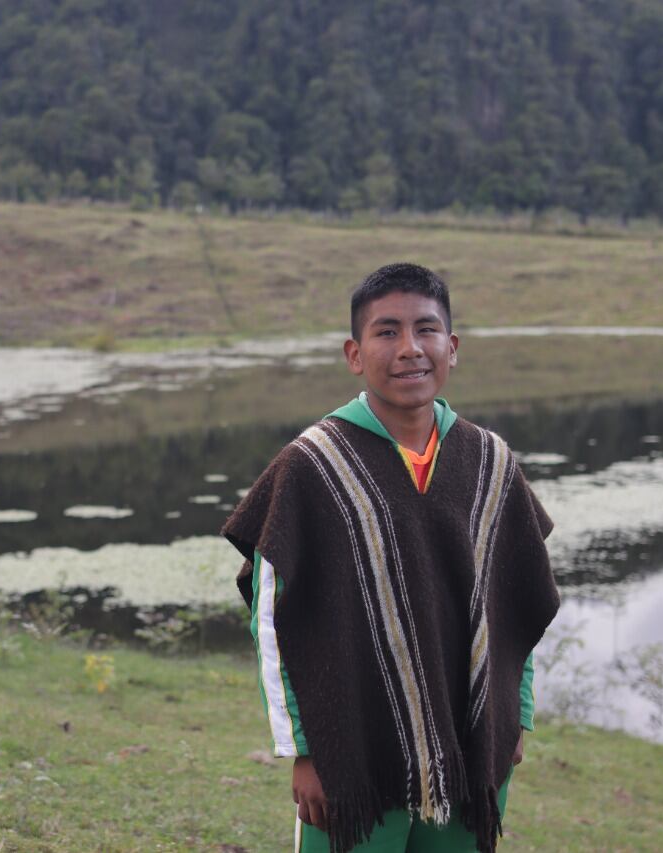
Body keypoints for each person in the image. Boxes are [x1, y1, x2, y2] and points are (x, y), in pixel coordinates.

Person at [222, 263, 560, 853]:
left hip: (472, 742)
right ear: (354, 354)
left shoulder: (490, 462)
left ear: (452, 347)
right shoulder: (311, 467)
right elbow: (272, 620)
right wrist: (305, 750)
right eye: (387, 332)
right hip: (351, 752)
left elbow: (516, 603)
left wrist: (514, 715)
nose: (410, 348)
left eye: (426, 329)